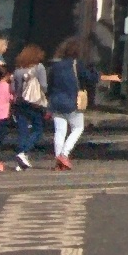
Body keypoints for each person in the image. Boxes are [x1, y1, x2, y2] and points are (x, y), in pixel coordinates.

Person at [45, 37, 89, 170]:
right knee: (78, 128)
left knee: (59, 131)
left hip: (56, 102)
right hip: (72, 102)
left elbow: (50, 84)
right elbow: (88, 76)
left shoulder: (55, 66)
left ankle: (58, 159)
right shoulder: (76, 65)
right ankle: (64, 154)